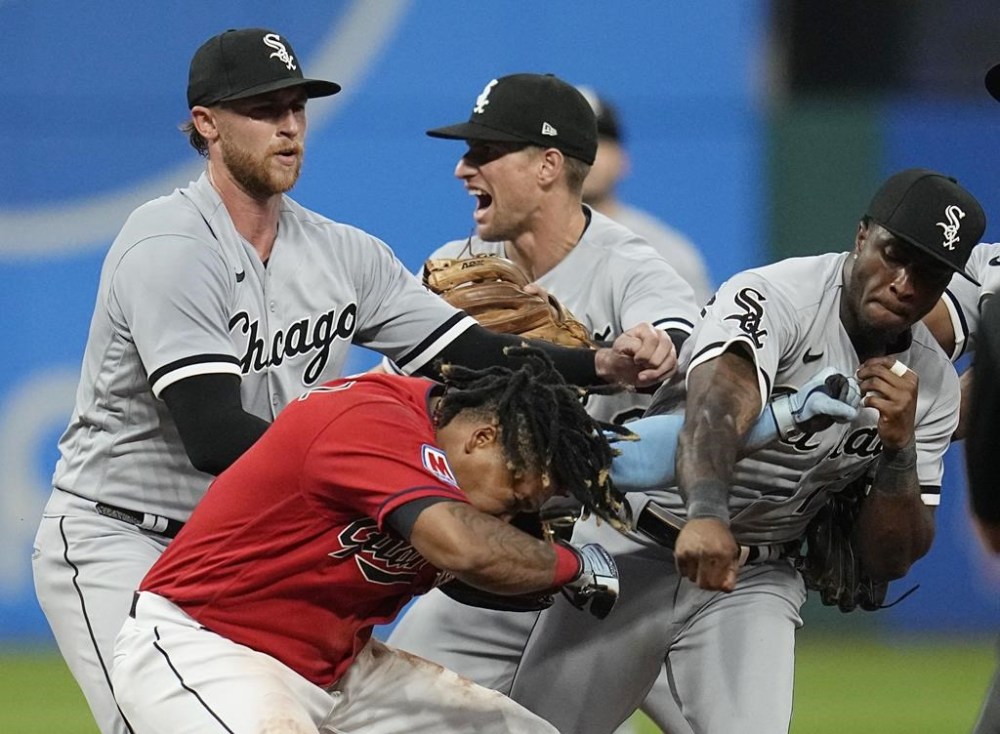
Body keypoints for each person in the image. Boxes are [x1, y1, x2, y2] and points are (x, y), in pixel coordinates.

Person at [31, 29, 674, 734]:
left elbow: (468, 350)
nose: (288, 125)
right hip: (123, 532)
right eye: (262, 108)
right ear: (207, 124)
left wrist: (601, 365)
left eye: (297, 107)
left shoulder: (342, 253)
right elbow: (213, 435)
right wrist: (381, 481)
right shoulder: (171, 245)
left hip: (253, 543)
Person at [443, 167, 983, 734]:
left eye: (929, 273)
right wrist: (706, 513)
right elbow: (717, 405)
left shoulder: (933, 383)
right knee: (546, 729)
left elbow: (890, 558)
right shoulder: (779, 297)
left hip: (755, 579)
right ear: (861, 236)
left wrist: (898, 449)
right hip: (634, 545)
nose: (904, 282)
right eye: (894, 254)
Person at [384, 72, 698, 708]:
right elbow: (396, 398)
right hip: (503, 548)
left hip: (626, 554)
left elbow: (672, 332)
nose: (462, 169)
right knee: (389, 704)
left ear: (549, 166)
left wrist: (647, 346)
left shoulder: (632, 263)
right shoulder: (457, 270)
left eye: (484, 153)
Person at [111, 350, 623, 734]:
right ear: (482, 438)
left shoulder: (458, 478)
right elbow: (464, 549)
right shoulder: (369, 419)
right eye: (514, 494)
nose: (507, 515)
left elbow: (470, 570)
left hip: (339, 674)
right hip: (206, 648)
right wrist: (574, 566)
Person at [577, 86, 714, 305]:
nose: (587, 156)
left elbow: (699, 336)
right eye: (574, 145)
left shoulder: (664, 251)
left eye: (599, 144)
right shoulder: (517, 247)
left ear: (624, 159)